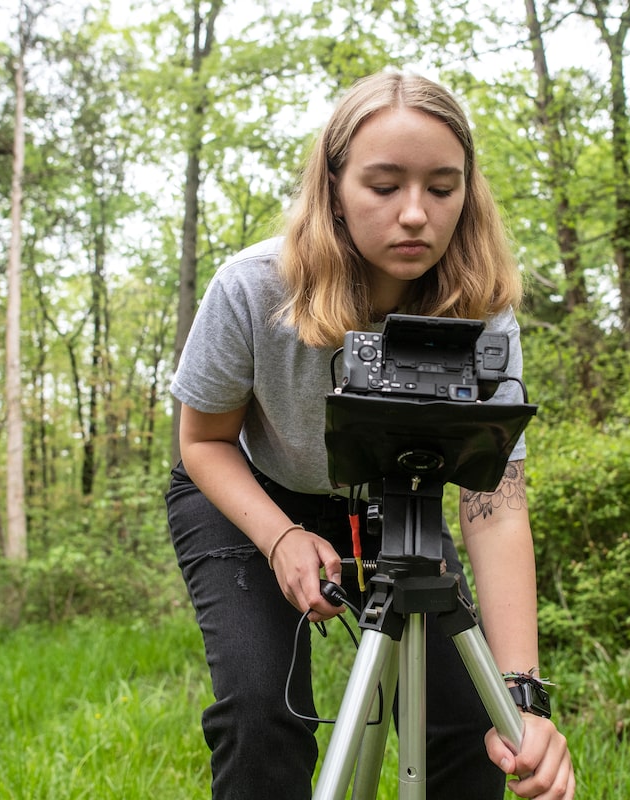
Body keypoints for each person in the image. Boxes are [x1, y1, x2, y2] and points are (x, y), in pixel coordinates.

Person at [166, 69, 575, 800]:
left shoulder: (483, 311)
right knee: (261, 715)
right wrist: (281, 537)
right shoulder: (254, 287)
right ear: (334, 187)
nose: (415, 214)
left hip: (397, 498)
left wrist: (523, 696)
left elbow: (496, 501)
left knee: (473, 724)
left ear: (467, 192)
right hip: (247, 489)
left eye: (441, 188)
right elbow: (201, 442)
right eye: (384, 187)